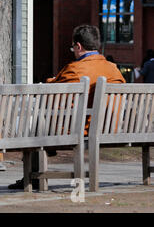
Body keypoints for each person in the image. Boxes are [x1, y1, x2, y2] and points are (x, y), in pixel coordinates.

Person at [9, 24, 126, 190]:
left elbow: (53, 94)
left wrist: (51, 80)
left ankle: (33, 177)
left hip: (81, 129)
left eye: (73, 47)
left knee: (37, 126)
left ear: (78, 46)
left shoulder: (75, 70)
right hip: (110, 129)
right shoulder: (114, 70)